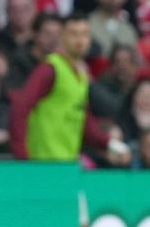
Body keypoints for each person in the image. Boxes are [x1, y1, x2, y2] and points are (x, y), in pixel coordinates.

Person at [9, 12, 129, 163]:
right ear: (62, 37)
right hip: (43, 163)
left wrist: (109, 144)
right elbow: (20, 107)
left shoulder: (81, 75)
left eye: (85, 34)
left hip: (67, 163)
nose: (80, 40)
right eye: (73, 34)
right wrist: (22, 157)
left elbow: (83, 119)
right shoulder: (50, 69)